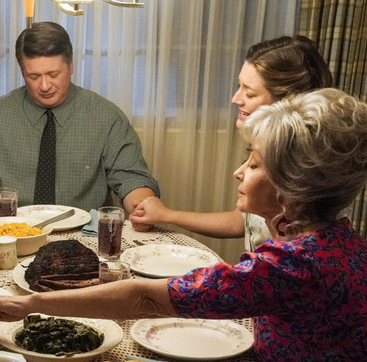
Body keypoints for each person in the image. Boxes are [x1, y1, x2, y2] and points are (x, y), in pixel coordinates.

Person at [0, 88, 367, 362]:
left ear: (292, 184)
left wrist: (26, 306)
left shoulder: (294, 265)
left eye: (254, 163)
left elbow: (146, 299)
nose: (238, 172)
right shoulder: (333, 238)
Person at [0, 22, 159, 226]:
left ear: (71, 65)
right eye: (33, 76)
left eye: (53, 74)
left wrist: (142, 205)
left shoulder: (107, 116)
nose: (44, 86)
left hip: (81, 234)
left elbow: (130, 177)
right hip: (10, 232)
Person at [129, 35, 333, 251]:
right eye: (239, 86)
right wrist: (167, 215)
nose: (236, 98)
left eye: (250, 93)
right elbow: (242, 222)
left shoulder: (304, 175)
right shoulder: (267, 147)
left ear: (286, 102)